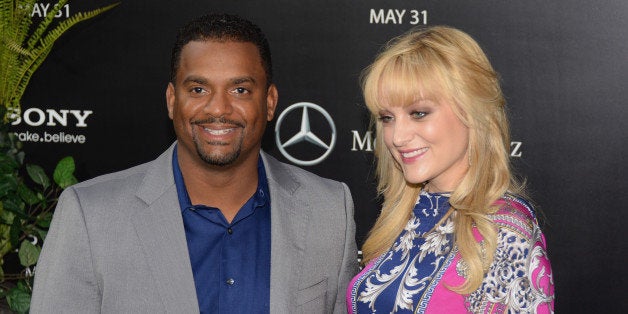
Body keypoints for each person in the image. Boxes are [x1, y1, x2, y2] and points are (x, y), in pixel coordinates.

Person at [30, 13, 358, 313]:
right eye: (199, 89)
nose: (218, 109)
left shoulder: (329, 211)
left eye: (240, 90)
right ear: (173, 101)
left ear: (269, 102)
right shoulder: (91, 217)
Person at [346, 26, 554, 313]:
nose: (397, 137)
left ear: (472, 112)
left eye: (418, 113)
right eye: (387, 118)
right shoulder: (400, 219)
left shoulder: (506, 231)